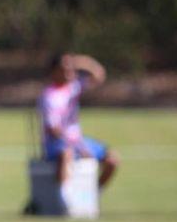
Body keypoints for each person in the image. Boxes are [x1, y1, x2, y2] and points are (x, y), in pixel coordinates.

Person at [38, 52, 120, 201]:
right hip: (56, 143)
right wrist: (78, 147)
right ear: (55, 71)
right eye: (65, 68)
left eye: (71, 68)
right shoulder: (49, 96)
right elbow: (53, 129)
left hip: (78, 141)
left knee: (112, 160)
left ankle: (92, 195)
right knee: (66, 154)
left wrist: (79, 61)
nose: (70, 71)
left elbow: (99, 75)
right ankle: (65, 200)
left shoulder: (74, 87)